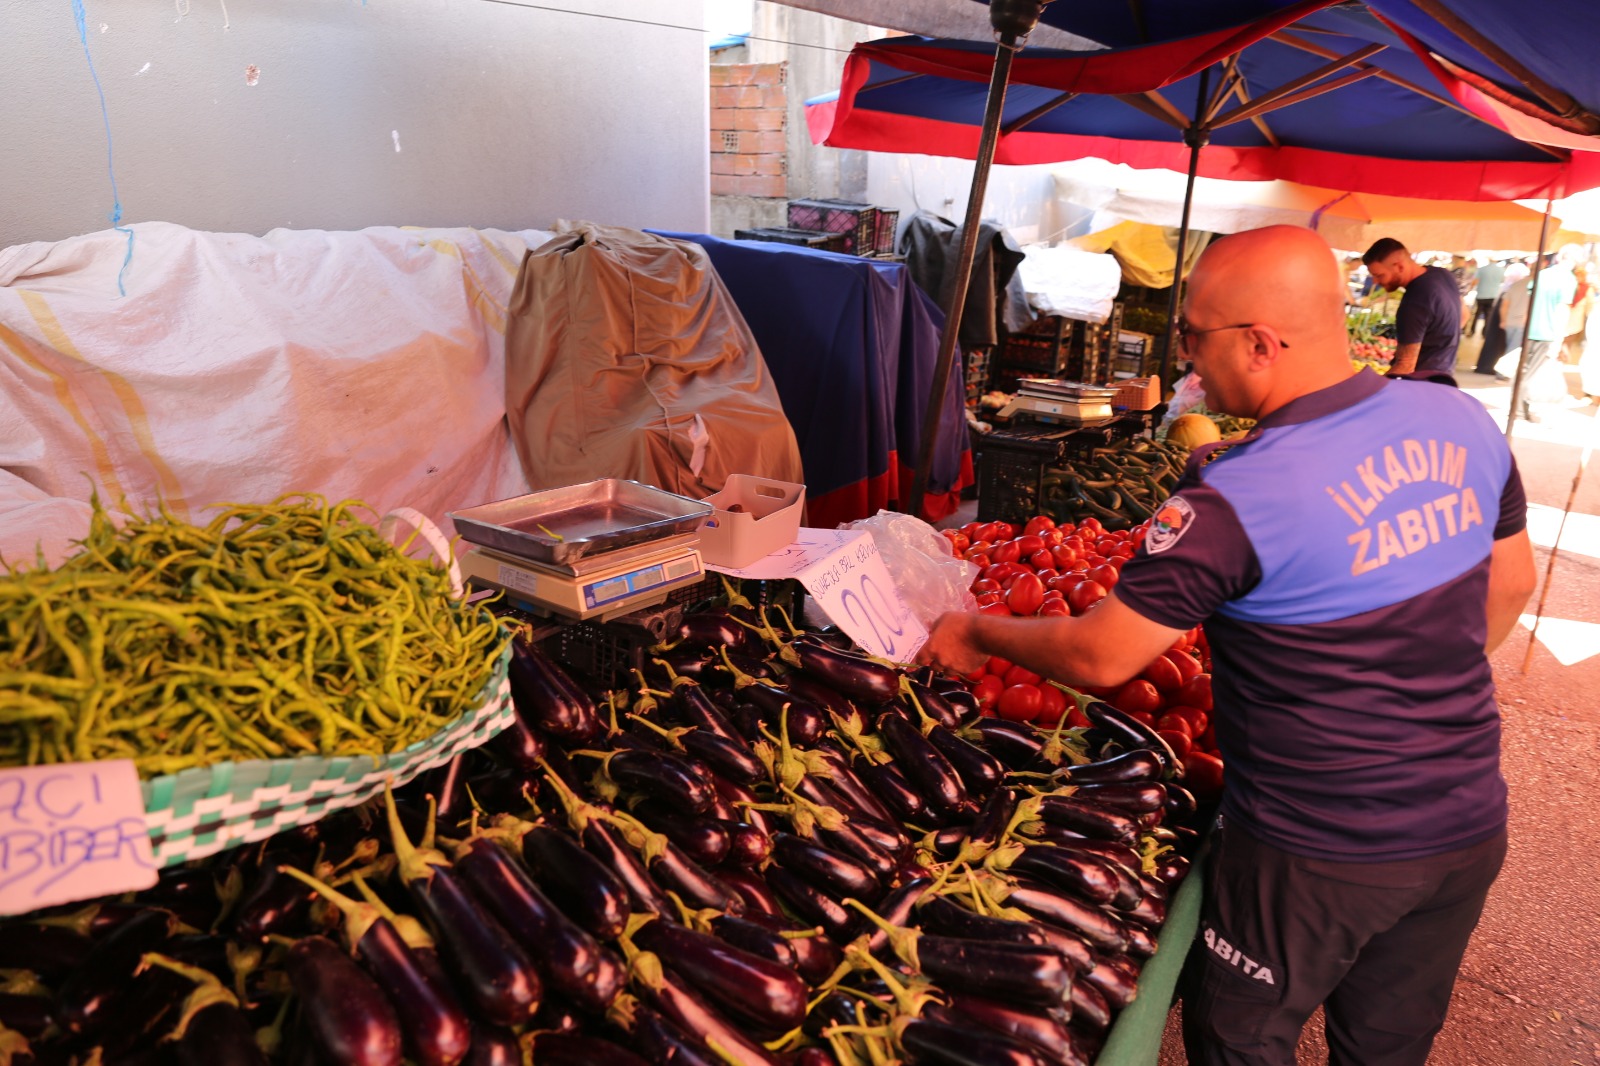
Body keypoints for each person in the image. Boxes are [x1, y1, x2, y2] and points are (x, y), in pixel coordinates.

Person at [918, 225, 1537, 1066]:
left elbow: (1106, 658)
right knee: (1388, 1044)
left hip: (1313, 848)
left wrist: (973, 628)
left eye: (1193, 338)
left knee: (1241, 1036)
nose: (1186, 364)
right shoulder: (1460, 416)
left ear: (1259, 341)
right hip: (1466, 820)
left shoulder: (1234, 492)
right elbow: (1509, 587)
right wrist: (1413, 687)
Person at [1362, 238, 1462, 378]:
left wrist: (1374, 390)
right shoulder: (1442, 274)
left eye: (1379, 275)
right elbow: (1464, 314)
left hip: (1421, 382)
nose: (1375, 282)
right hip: (1445, 373)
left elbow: (1405, 365)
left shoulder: (1415, 301)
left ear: (1399, 266)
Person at [1516, 247, 1579, 423]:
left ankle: (1519, 408)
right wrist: (1559, 340)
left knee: (1524, 370)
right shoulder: (1568, 279)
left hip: (1530, 329)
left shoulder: (1542, 275)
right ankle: (1520, 410)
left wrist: (1525, 322)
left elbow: (1529, 301)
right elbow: (1562, 310)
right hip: (1547, 333)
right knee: (1532, 374)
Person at [1471, 258, 1505, 337]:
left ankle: (1472, 331)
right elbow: (1502, 281)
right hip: (1493, 295)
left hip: (1481, 295)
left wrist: (1471, 288)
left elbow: (1475, 281)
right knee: (1488, 315)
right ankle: (1485, 333)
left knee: (1476, 314)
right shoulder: (1501, 270)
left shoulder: (1482, 269)